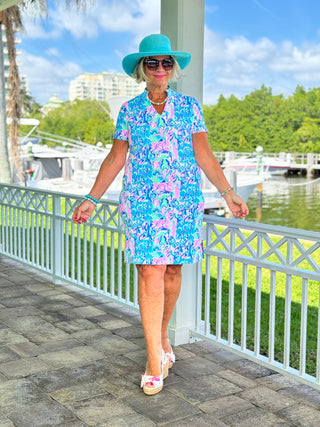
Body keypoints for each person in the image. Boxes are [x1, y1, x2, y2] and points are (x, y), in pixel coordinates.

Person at [72, 34, 249, 396]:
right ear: (142, 69)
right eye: (152, 63)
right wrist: (91, 197)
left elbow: (204, 154)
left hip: (182, 201)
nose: (160, 69)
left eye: (166, 62)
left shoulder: (189, 107)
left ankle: (163, 337)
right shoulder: (129, 111)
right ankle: (154, 358)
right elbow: (116, 157)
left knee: (171, 272)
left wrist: (228, 193)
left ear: (174, 68)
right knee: (149, 271)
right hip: (142, 201)